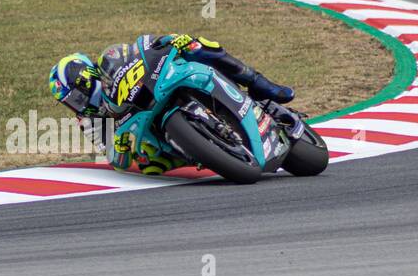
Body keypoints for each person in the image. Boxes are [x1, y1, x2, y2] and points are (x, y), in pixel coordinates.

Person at [48, 34, 294, 174]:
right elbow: (117, 162)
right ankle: (205, 152)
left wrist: (168, 40)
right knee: (149, 166)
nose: (78, 104)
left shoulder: (109, 61)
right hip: (147, 126)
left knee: (196, 46)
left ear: (88, 78)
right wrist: (120, 146)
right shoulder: (90, 122)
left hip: (158, 85)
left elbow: (141, 48)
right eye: (70, 102)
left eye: (77, 96)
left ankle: (258, 82)